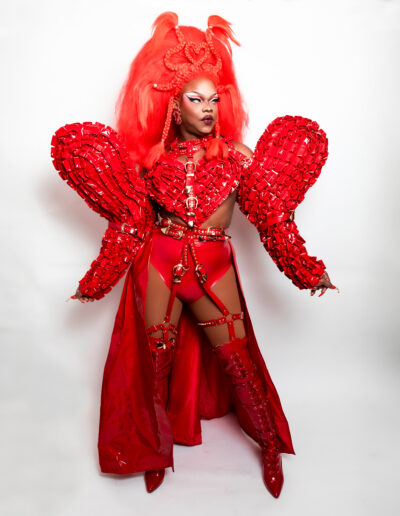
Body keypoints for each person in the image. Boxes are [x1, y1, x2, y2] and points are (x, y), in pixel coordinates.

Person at [51, 12, 335, 498]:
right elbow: (130, 224)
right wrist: (96, 280)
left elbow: (273, 219)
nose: (208, 108)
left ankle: (268, 445)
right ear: (174, 108)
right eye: (196, 99)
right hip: (158, 263)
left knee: (237, 358)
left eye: (214, 99)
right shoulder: (153, 162)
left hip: (213, 262)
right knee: (155, 361)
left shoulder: (238, 157)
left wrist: (308, 270)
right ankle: (155, 450)